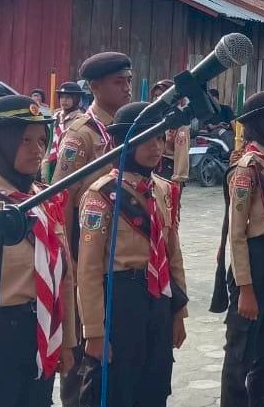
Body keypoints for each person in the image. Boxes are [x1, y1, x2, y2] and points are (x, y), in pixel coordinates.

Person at [76, 101, 187, 407]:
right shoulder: (101, 194)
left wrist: (178, 311)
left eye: (159, 138)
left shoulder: (163, 190)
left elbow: (172, 253)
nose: (156, 146)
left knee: (155, 383)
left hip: (158, 300)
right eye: (146, 139)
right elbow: (87, 269)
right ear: (124, 142)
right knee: (118, 386)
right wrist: (95, 332)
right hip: (122, 301)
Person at [50, 52, 133, 407]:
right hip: (85, 250)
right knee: (85, 344)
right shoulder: (80, 135)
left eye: (129, 80)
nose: (128, 88)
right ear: (95, 87)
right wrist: (68, 260)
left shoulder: (129, 125)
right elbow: (61, 199)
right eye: (119, 82)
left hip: (120, 252)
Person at [210, 90, 264, 407]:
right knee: (241, 353)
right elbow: (236, 235)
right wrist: (245, 288)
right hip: (255, 263)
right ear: (260, 124)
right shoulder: (247, 169)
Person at [0, 95, 77, 406]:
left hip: (40, 327)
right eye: (24, 140)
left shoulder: (43, 199)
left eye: (42, 139)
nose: (37, 149)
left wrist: (66, 341)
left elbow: (64, 276)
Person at [43, 82, 87, 178]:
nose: (64, 100)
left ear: (77, 99)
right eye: (62, 97)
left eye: (68, 97)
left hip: (67, 164)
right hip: (49, 163)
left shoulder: (81, 119)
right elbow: (49, 142)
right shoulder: (55, 117)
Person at [150, 80, 190, 184]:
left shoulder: (179, 121)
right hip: (152, 168)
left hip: (168, 170)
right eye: (155, 96)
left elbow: (182, 152)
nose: (157, 99)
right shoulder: (152, 119)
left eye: (161, 96)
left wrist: (178, 179)